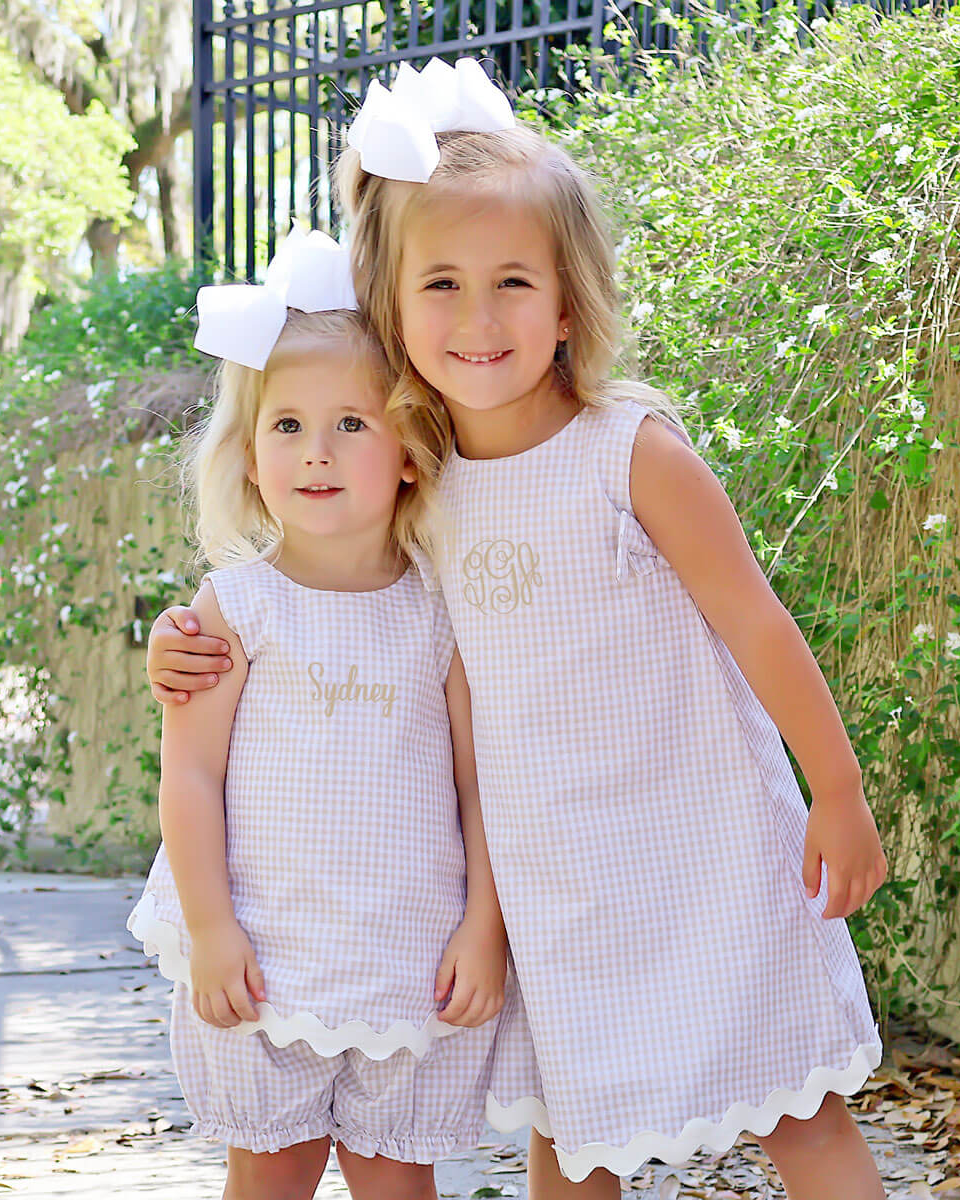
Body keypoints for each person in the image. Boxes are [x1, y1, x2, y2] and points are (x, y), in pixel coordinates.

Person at [144, 61, 889, 1200]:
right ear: (391, 304)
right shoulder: (419, 475)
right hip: (549, 878)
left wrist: (836, 788)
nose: (478, 319)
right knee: (568, 1125)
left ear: (568, 302)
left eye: (513, 283)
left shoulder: (629, 454)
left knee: (797, 1104)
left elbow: (756, 620)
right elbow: (322, 588)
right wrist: (183, 642)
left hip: (703, 844)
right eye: (440, 284)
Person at [128, 228, 530, 1200]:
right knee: (270, 1174)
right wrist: (212, 930)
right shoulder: (235, 608)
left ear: (408, 453)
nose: (316, 451)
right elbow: (192, 777)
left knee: (398, 1182)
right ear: (249, 453)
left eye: (351, 423)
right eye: (287, 426)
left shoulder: (440, 611)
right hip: (266, 956)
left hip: (409, 959)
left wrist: (484, 926)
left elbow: (481, 785)